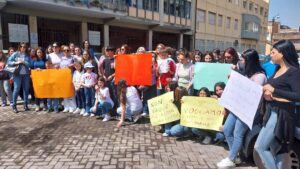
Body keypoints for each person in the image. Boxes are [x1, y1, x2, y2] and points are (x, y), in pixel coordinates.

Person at [254, 40, 300, 169]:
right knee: (277, 148)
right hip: (272, 111)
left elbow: (298, 95)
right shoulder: (278, 69)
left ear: (282, 54)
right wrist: (269, 95)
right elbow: (279, 92)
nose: (270, 55)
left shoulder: (294, 72)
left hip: (282, 114)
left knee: (260, 147)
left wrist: (274, 90)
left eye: (273, 52)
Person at [217, 49, 267, 168]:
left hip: (248, 110)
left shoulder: (260, 76)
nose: (241, 61)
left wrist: (238, 79)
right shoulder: (246, 73)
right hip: (237, 107)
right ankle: (236, 155)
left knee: (237, 133)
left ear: (250, 61)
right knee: (227, 130)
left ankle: (232, 158)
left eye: (244, 60)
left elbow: (252, 93)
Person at [7, 42, 32, 113]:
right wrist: (16, 62)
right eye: (21, 46)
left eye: (24, 47)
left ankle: (25, 104)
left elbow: (30, 64)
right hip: (17, 74)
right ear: (19, 47)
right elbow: (9, 62)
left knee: (26, 89)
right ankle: (14, 105)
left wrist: (24, 62)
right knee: (16, 89)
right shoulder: (15, 54)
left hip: (25, 74)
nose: (23, 48)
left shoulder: (27, 55)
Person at [60, 46, 76, 113]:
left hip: (70, 76)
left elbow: (77, 64)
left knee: (71, 91)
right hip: (63, 77)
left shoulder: (72, 58)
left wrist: (72, 65)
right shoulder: (62, 58)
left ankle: (72, 106)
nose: (66, 51)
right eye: (64, 50)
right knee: (64, 92)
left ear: (70, 51)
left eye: (67, 50)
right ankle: (66, 106)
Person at [31, 47, 47, 112]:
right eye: (38, 52)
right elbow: (31, 68)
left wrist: (42, 70)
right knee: (36, 91)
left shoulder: (45, 60)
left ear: (42, 53)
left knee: (44, 91)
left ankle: (45, 105)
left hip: (44, 78)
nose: (39, 53)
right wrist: (34, 70)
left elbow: (48, 68)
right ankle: (37, 105)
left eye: (40, 52)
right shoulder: (34, 60)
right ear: (36, 53)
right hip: (36, 78)